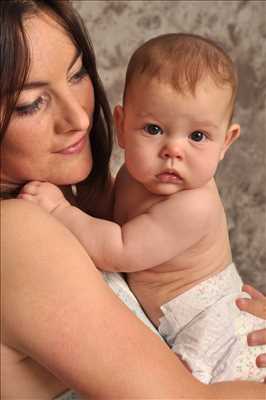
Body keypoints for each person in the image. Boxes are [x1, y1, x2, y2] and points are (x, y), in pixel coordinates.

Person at [1, 1, 266, 398]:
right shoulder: (19, 230)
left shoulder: (72, 196)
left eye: (77, 75)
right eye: (30, 103)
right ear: (126, 123)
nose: (81, 119)